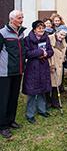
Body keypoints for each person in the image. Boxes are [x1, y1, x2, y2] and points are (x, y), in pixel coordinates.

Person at [0, 10, 26, 138]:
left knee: (14, 98)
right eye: (19, 18)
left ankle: (11, 120)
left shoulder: (21, 33)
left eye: (22, 17)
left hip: (18, 71)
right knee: (4, 99)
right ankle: (3, 126)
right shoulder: (2, 33)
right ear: (11, 20)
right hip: (5, 72)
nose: (22, 20)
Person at [22, 20, 54, 124]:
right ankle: (30, 114)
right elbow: (26, 53)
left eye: (42, 27)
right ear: (34, 29)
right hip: (32, 68)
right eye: (39, 28)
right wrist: (40, 52)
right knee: (32, 92)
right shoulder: (27, 39)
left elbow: (50, 51)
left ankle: (42, 110)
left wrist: (46, 54)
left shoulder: (46, 38)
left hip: (43, 67)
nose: (41, 30)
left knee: (42, 90)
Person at [48, 27, 67, 108]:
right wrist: (50, 65)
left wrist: (63, 58)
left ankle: (55, 103)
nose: (62, 36)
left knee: (56, 85)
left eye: (64, 35)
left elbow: (63, 53)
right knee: (49, 85)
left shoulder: (63, 42)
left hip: (59, 66)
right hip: (51, 65)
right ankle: (48, 102)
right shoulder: (49, 39)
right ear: (57, 32)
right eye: (61, 34)